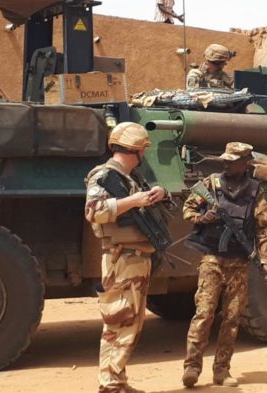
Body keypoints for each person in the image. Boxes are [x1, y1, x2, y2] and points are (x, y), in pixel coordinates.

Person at [181, 142, 267, 388]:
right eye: (225, 159)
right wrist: (203, 217)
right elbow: (187, 209)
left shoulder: (255, 192)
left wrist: (264, 260)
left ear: (245, 163)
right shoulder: (211, 184)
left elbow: (261, 230)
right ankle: (192, 366)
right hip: (212, 257)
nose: (226, 163)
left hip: (239, 262)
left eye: (232, 160)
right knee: (203, 313)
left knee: (232, 318)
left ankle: (221, 370)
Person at [84, 122, 169, 393]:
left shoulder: (129, 178)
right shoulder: (104, 175)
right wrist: (133, 201)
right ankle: (109, 386)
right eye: (143, 150)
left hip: (137, 258)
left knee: (131, 325)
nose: (144, 154)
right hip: (121, 260)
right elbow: (94, 211)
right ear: (137, 150)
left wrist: (156, 194)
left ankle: (117, 381)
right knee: (119, 323)